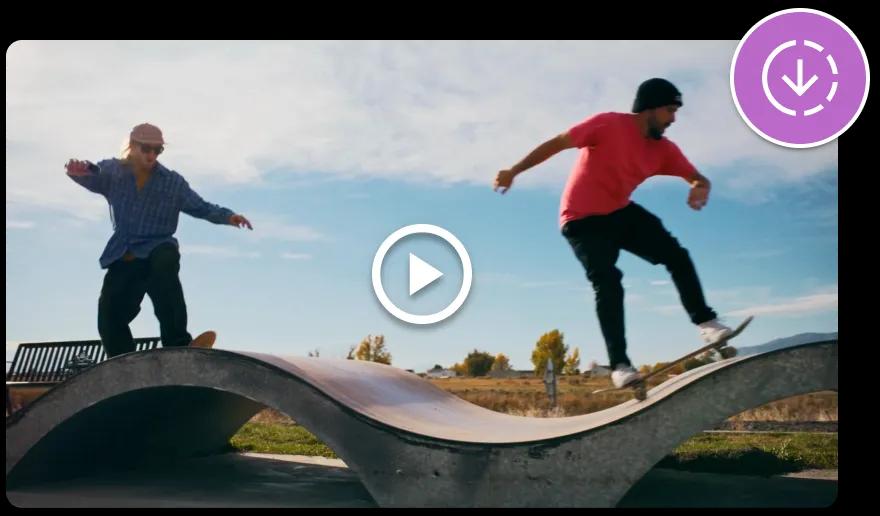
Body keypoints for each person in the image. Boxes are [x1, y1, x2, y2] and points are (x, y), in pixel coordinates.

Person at [493, 78, 733, 388]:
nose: (673, 119)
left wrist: (700, 187)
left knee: (677, 255)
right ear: (650, 108)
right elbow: (557, 143)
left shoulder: (664, 150)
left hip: (618, 212)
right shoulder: (607, 125)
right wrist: (513, 171)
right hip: (580, 219)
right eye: (669, 111)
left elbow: (698, 177)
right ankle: (620, 365)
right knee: (608, 281)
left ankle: (706, 323)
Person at [66, 123, 253, 358]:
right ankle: (122, 359)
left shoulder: (172, 182)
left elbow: (201, 206)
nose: (152, 155)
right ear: (132, 146)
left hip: (158, 248)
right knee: (109, 313)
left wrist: (229, 216)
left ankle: (178, 342)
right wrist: (77, 171)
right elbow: (93, 175)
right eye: (146, 149)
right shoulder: (113, 171)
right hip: (125, 255)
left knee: (165, 270)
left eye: (158, 150)